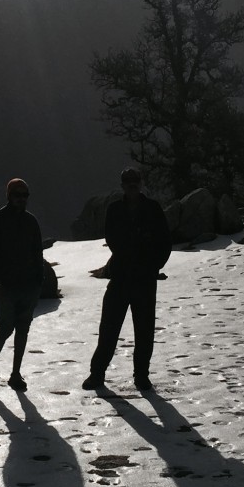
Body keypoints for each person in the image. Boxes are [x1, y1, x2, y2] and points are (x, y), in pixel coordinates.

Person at [83, 167, 171, 392]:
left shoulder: (152, 209)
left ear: (140, 183)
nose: (132, 184)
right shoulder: (115, 209)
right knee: (109, 329)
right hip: (121, 277)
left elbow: (165, 241)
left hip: (144, 279)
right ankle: (97, 374)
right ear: (122, 184)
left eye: (135, 180)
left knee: (144, 331)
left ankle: (141, 376)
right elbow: (112, 239)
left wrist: (154, 265)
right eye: (128, 180)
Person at [0, 177, 45, 393]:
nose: (22, 199)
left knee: (22, 329)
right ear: (9, 196)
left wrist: (38, 283)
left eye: (25, 195)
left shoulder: (31, 221)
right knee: (5, 328)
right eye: (18, 194)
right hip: (7, 286)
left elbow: (37, 253)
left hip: (29, 286)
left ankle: (15, 374)